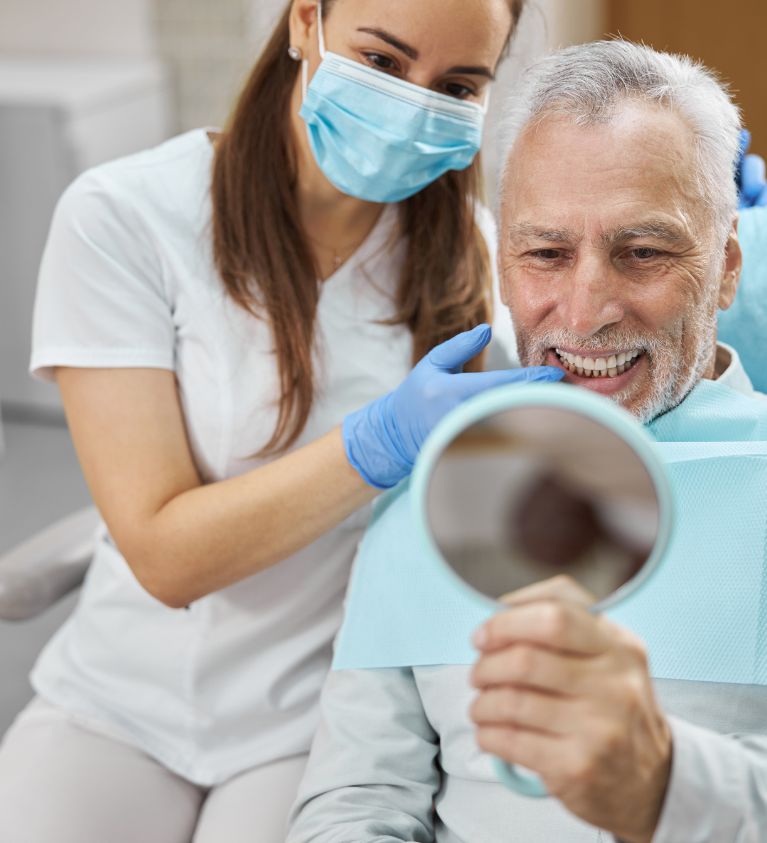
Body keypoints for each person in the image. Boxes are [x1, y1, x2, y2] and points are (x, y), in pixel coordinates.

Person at [0, 2, 570, 842]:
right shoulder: (126, 216)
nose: (414, 104)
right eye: (380, 61)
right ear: (306, 21)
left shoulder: (476, 264)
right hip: (121, 695)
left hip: (320, 713)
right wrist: (378, 445)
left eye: (455, 85)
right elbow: (164, 556)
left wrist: (713, 268)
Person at [287, 41, 767, 842]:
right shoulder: (431, 489)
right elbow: (358, 794)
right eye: (545, 253)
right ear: (502, 262)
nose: (583, 314)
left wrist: (665, 784)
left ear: (723, 268)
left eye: (641, 252)